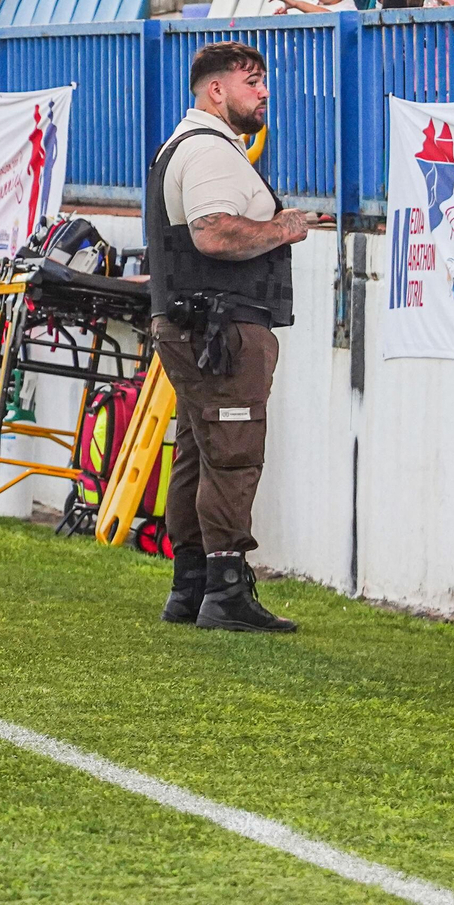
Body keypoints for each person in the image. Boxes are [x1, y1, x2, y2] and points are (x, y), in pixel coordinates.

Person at [145, 42, 306, 633]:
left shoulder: (187, 145)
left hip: (197, 323)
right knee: (233, 453)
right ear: (216, 91)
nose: (264, 92)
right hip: (221, 327)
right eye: (252, 81)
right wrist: (283, 228)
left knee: (198, 449)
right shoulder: (211, 152)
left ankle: (189, 587)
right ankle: (225, 588)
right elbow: (213, 233)